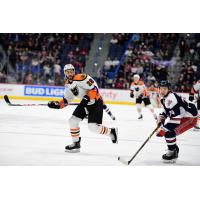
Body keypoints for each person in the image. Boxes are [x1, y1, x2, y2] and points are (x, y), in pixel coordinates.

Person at [48, 64, 118, 152]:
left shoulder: (82, 77)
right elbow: (67, 100)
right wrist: (57, 105)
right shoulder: (67, 84)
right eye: (67, 72)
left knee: (93, 127)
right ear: (65, 73)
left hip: (95, 103)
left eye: (71, 71)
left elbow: (95, 88)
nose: (70, 73)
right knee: (72, 121)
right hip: (84, 104)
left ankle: (111, 132)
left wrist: (88, 97)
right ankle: (76, 144)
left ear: (74, 71)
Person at [156, 80, 198, 162]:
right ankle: (173, 148)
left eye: (165, 89)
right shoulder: (165, 98)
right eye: (161, 88)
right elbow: (168, 110)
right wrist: (162, 117)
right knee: (168, 132)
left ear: (169, 89)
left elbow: (176, 119)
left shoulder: (171, 99)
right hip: (184, 115)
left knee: (169, 133)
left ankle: (173, 152)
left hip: (190, 118)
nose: (162, 90)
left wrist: (163, 129)